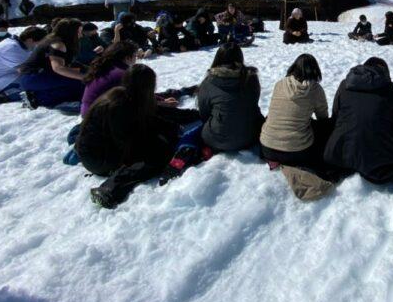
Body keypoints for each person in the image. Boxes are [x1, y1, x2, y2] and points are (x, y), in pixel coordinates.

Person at [323, 58, 393, 200]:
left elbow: (335, 116)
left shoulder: (344, 84)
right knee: (387, 159)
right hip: (377, 151)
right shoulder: (389, 89)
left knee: (349, 152)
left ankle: (342, 168)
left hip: (341, 148)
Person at [76, 64, 179, 208]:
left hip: (92, 150)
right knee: (157, 156)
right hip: (97, 159)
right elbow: (130, 143)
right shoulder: (120, 105)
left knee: (158, 139)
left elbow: (150, 118)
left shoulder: (125, 96)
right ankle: (109, 189)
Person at [260, 54, 330, 170]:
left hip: (266, 148)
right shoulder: (315, 90)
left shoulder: (280, 83)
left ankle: (275, 160)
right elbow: (323, 118)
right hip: (296, 152)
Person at [197, 43, 264, 152]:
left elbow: (204, 112)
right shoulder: (250, 77)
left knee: (196, 130)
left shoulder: (210, 80)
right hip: (250, 136)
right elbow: (253, 102)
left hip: (217, 139)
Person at [18, 18, 85, 108]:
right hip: (33, 77)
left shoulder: (55, 40)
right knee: (79, 84)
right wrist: (85, 77)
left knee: (75, 82)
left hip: (34, 76)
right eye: (79, 32)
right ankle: (38, 98)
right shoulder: (58, 44)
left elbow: (67, 64)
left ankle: (41, 95)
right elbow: (58, 68)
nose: (81, 35)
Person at [0, 26, 47, 108]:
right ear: (30, 40)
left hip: (8, 74)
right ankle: (1, 97)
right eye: (41, 43)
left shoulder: (22, 45)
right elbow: (25, 70)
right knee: (36, 85)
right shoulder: (11, 48)